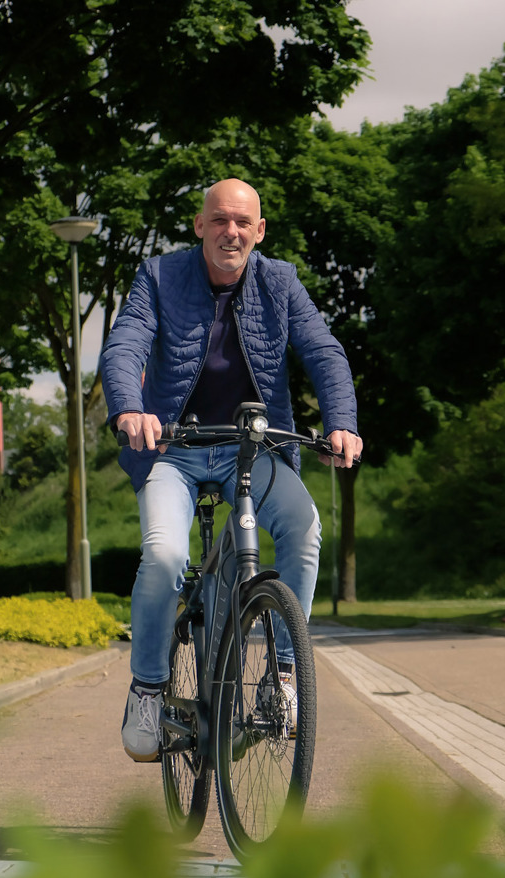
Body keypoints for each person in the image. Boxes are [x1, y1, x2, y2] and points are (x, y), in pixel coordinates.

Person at [100, 178, 363, 761]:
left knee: (303, 527)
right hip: (173, 448)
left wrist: (341, 421)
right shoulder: (160, 276)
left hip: (255, 447)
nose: (231, 231)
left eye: (243, 222)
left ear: (260, 231)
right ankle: (146, 689)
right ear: (199, 226)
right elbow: (125, 346)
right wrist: (130, 409)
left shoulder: (281, 281)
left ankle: (282, 678)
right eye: (219, 220)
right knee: (165, 555)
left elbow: (324, 351)